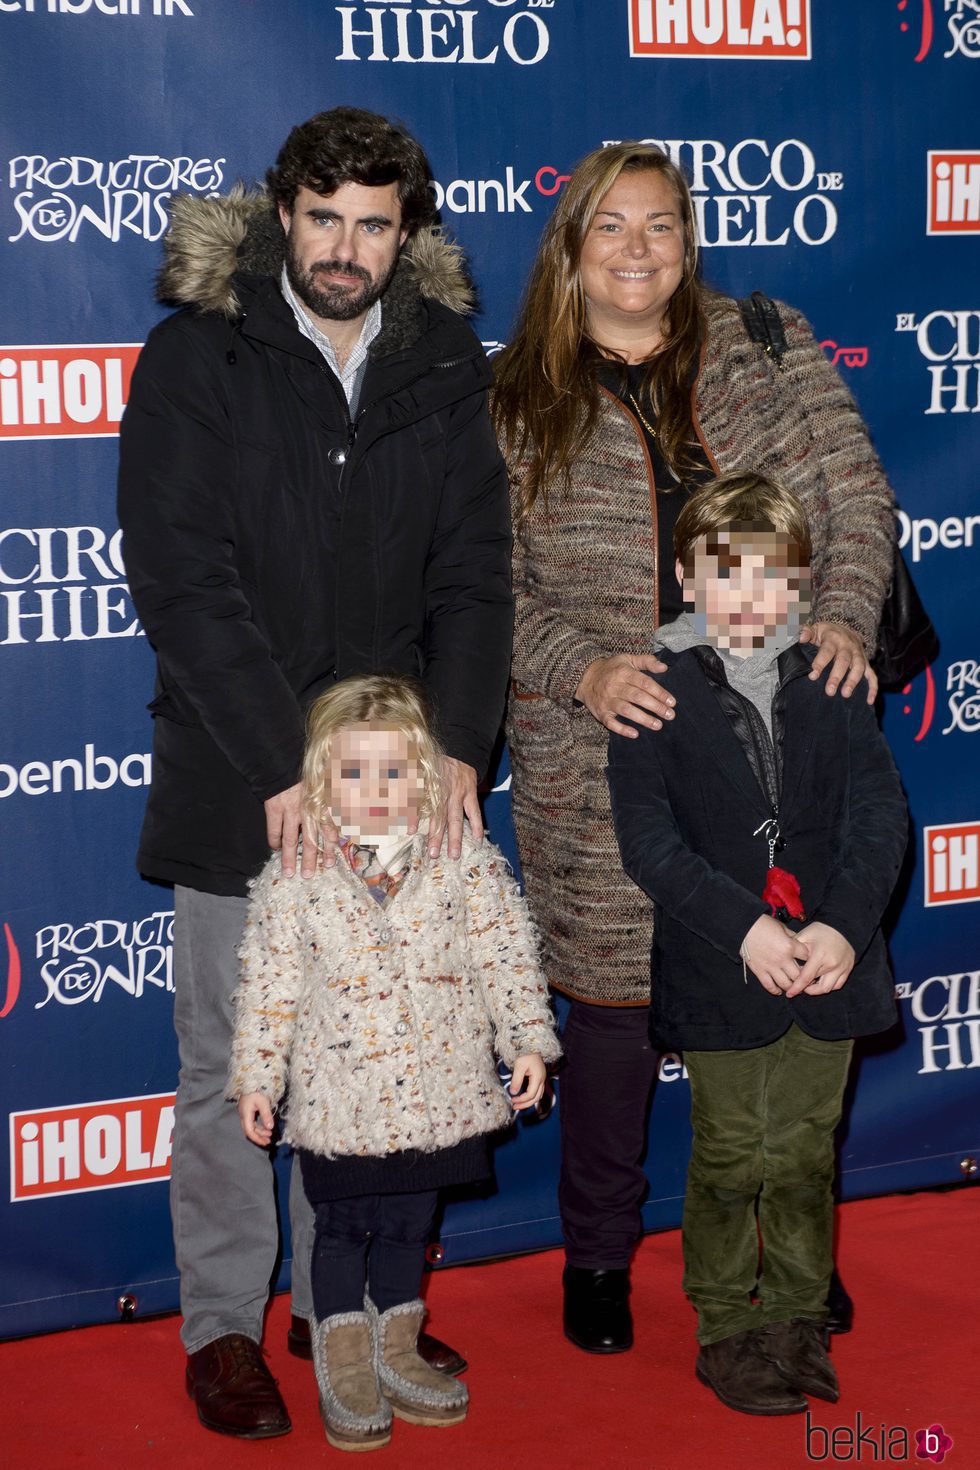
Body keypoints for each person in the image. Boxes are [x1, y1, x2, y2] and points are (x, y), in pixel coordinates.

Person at [117, 107, 513, 1438]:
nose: (346, 250)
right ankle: (227, 1325)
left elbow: (472, 573)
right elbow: (182, 580)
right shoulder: (194, 358)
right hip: (245, 779)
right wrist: (291, 764)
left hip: (403, 795)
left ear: (410, 231)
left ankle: (337, 1309)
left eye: (375, 225)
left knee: (373, 1063)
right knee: (241, 1067)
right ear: (283, 210)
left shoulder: (444, 358)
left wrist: (456, 746)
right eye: (324, 218)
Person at [492, 142, 896, 1354]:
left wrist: (842, 613)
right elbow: (478, 586)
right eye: (605, 227)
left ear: (688, 239)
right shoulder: (511, 395)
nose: (633, 250)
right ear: (569, 247)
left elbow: (856, 497)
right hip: (606, 743)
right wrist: (584, 668)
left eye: (656, 226)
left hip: (788, 732)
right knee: (615, 1022)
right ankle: (599, 1258)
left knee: (798, 999)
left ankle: (795, 1258)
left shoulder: (768, 346)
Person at [607, 471, 907, 1414]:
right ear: (688, 580)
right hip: (719, 962)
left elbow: (879, 818)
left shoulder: (833, 675)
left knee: (806, 1151)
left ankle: (796, 1314)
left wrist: (842, 929)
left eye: (773, 576)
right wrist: (746, 929)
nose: (750, 596)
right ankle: (727, 1326)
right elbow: (648, 844)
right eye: (726, 574)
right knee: (734, 1152)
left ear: (802, 585)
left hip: (831, 961)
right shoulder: (651, 690)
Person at [229, 674, 560, 1452]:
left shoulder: (464, 859)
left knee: (413, 1224)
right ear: (321, 779)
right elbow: (267, 987)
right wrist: (256, 1078)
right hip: (341, 1102)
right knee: (341, 1229)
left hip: (439, 1094)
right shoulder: (296, 876)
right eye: (353, 772)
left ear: (426, 773)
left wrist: (527, 1040)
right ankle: (344, 1364)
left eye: (392, 771)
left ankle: (399, 1348)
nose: (374, 790)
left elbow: (506, 956)